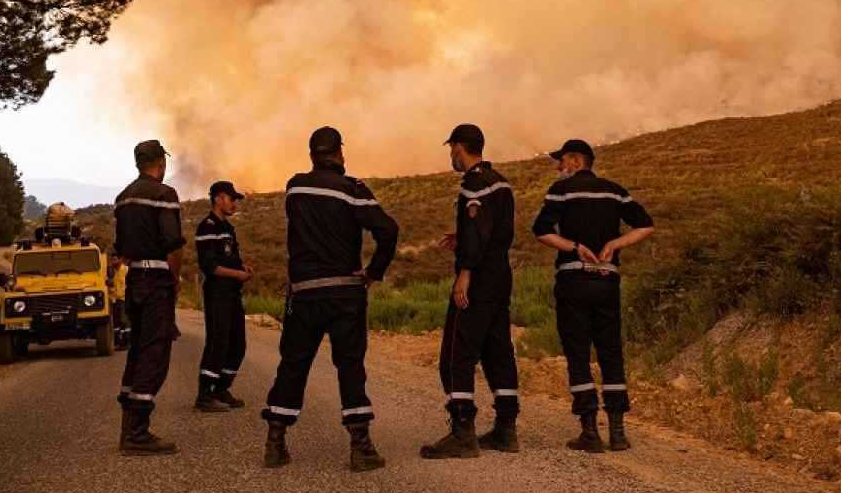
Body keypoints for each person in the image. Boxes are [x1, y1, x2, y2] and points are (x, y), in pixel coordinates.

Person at [261, 126, 399, 473]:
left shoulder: (295, 187)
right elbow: (388, 229)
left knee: (293, 364)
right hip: (344, 293)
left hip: (304, 293)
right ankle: (360, 446)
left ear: (312, 155)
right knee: (350, 366)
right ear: (339, 153)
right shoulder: (352, 190)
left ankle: (275, 442)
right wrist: (374, 271)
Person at [532, 139, 654, 453]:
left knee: (578, 352)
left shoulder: (561, 191)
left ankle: (589, 430)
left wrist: (573, 247)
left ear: (576, 160)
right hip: (607, 281)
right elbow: (645, 225)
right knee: (611, 351)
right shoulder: (614, 190)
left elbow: (541, 231)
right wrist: (614, 245)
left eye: (562, 161)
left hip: (573, 280)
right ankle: (617, 432)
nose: (559, 168)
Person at [420, 124, 519, 459]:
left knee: (456, 353)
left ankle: (463, 432)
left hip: (478, 278)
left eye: (451, 149)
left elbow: (478, 231)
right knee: (497, 350)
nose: (451, 155)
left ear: (460, 147)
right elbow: (495, 231)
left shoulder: (474, 184)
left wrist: (465, 273)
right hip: (500, 275)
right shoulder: (501, 181)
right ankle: (507, 428)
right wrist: (463, 240)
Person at [113, 140, 186, 456]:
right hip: (156, 280)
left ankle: (127, 426)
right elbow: (174, 245)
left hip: (134, 282)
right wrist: (174, 279)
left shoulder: (122, 199)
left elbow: (121, 248)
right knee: (155, 353)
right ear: (160, 162)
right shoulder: (164, 195)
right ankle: (137, 433)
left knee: (137, 351)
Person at [193, 180, 253, 412]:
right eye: (232, 198)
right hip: (217, 293)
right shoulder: (206, 227)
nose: (235, 203)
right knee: (218, 342)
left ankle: (221, 388)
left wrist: (243, 268)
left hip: (232, 293)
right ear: (218, 198)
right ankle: (204, 395)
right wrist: (236, 274)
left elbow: (231, 258)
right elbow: (210, 266)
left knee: (238, 343)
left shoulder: (227, 228)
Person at [107, 254, 129, 350]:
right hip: (115, 300)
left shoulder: (127, 270)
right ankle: (117, 343)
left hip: (124, 299)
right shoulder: (113, 272)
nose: (113, 262)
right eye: (112, 260)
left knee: (124, 321)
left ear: (120, 259)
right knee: (116, 323)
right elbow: (111, 285)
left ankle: (126, 342)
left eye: (115, 260)